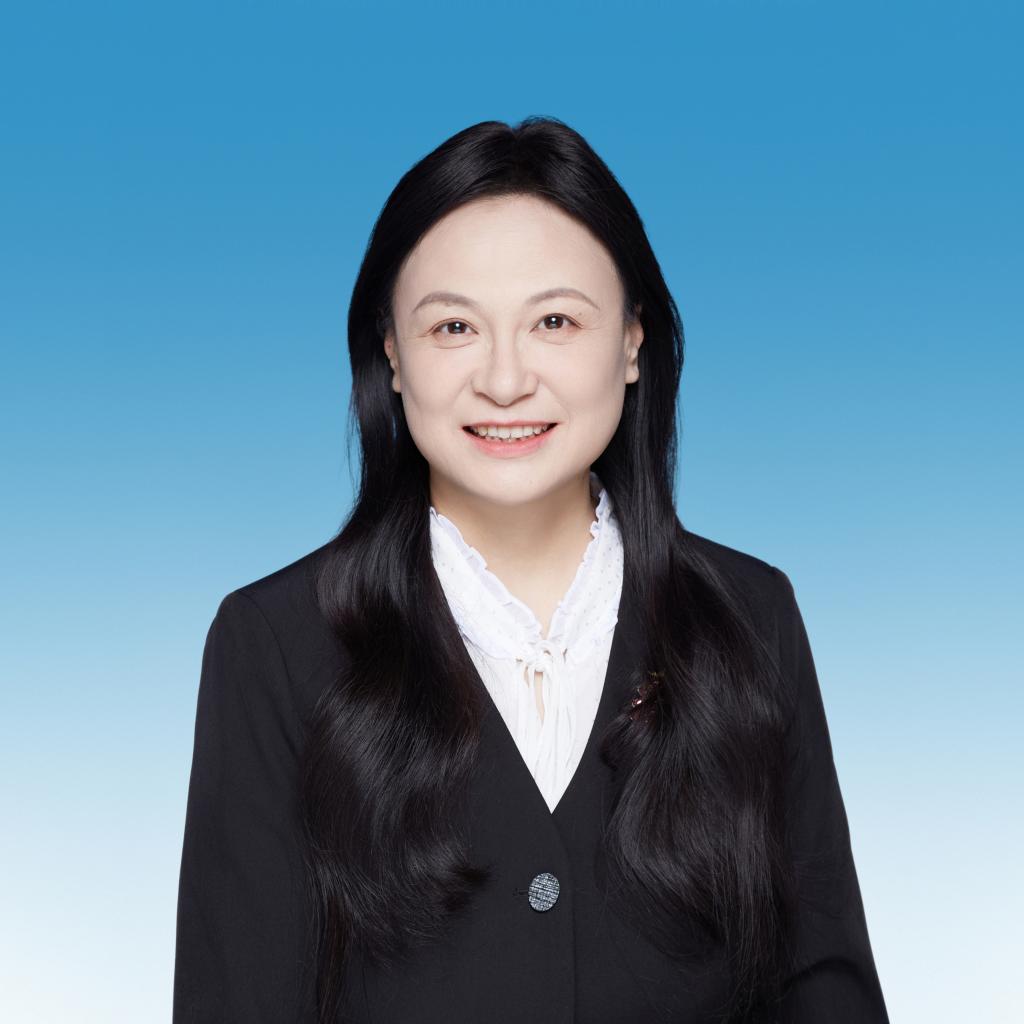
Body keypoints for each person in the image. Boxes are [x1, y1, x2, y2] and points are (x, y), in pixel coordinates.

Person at [172, 116, 889, 1023]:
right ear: (391, 352)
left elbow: (824, 992)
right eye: (453, 326)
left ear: (632, 340)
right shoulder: (274, 644)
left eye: (554, 321)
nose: (505, 381)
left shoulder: (753, 614)